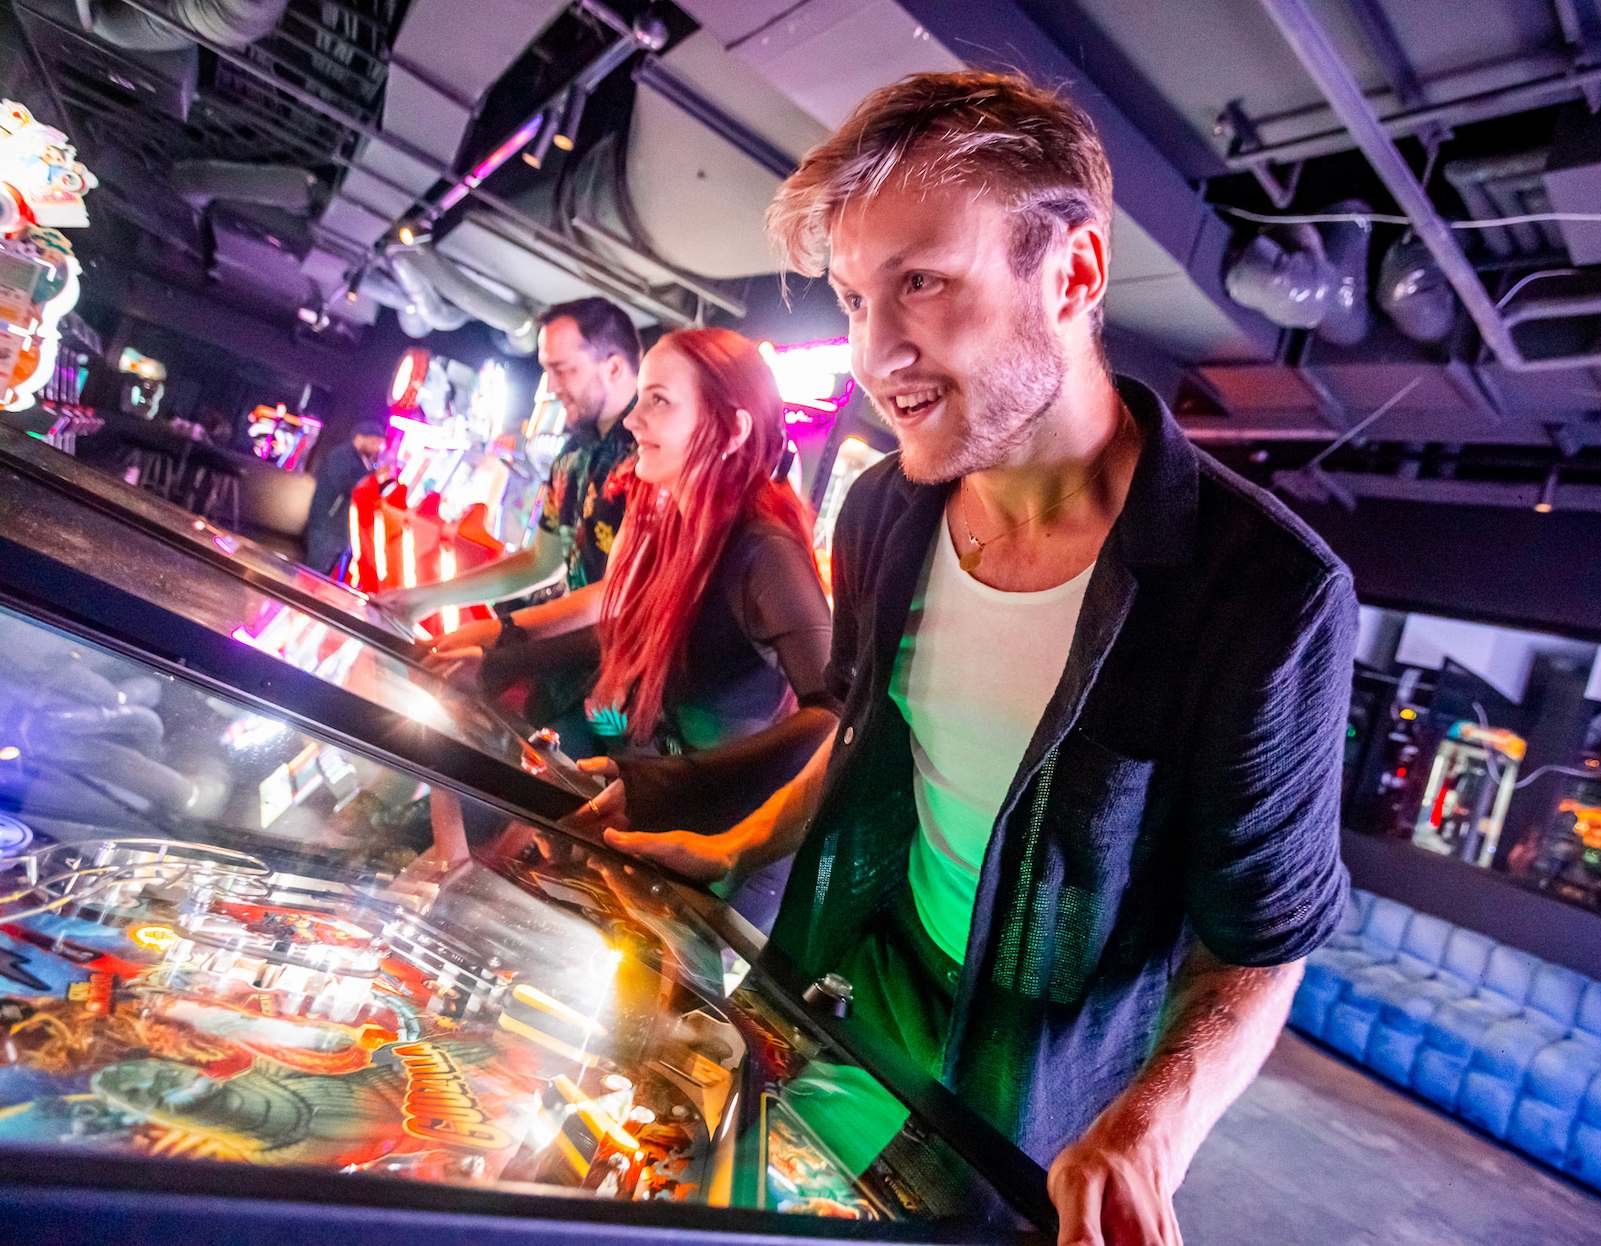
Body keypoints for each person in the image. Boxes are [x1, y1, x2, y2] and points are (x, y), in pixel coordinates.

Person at [588, 71, 1356, 1246]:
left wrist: (1155, 1125)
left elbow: (1258, 948)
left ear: (1076, 273)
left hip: (1030, 1081)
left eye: (923, 283)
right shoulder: (885, 514)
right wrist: (728, 843)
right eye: (852, 300)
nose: (871, 353)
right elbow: (868, 740)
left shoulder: (1266, 595)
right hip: (855, 979)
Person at [454, 328, 838, 928]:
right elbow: (631, 634)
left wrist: (666, 785)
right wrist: (502, 658)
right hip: (682, 823)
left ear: (732, 431)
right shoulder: (686, 527)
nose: (634, 421)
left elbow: (833, 715)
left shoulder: (766, 552)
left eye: (659, 401)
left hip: (738, 859)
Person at [388, 298, 642, 749]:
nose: (553, 386)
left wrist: (500, 635)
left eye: (565, 370)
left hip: (628, 687)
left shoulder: (651, 454)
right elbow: (540, 560)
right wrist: (424, 597)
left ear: (615, 367)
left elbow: (619, 594)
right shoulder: (573, 456)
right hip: (568, 668)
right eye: (548, 370)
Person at [303, 415, 386, 574]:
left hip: (339, 528)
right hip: (327, 524)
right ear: (359, 438)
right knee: (313, 572)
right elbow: (346, 485)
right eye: (374, 442)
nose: (377, 448)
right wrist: (374, 478)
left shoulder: (362, 460)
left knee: (325, 573)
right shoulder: (342, 456)